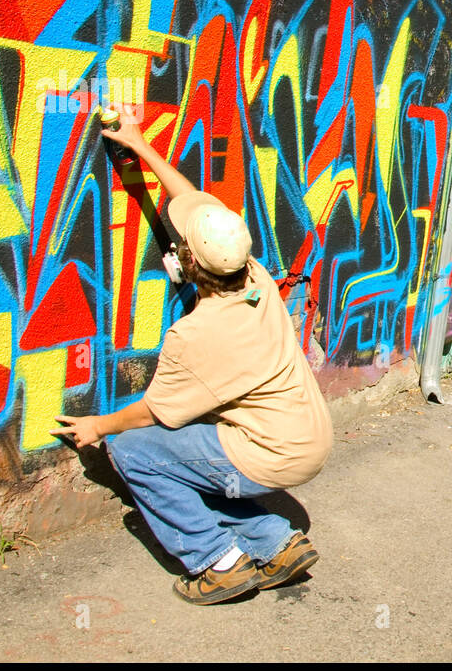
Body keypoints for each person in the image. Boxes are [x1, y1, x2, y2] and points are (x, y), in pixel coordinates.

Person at [56, 114, 334, 605]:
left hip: (270, 453)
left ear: (189, 263)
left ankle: (216, 561)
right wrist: (141, 147)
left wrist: (100, 427)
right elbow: (196, 208)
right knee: (196, 461)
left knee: (136, 452)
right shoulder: (256, 278)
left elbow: (155, 413)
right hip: (311, 436)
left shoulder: (196, 333)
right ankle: (276, 542)